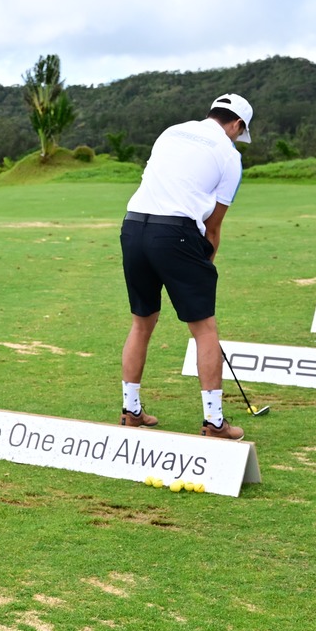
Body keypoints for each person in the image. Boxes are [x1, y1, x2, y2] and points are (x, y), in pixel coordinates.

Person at [117, 92, 254, 439]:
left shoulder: (172, 131)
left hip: (133, 227)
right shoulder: (230, 156)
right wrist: (206, 264)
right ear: (237, 124)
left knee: (141, 323)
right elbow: (213, 226)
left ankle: (131, 411)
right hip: (175, 234)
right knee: (204, 328)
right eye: (240, 132)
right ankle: (215, 423)